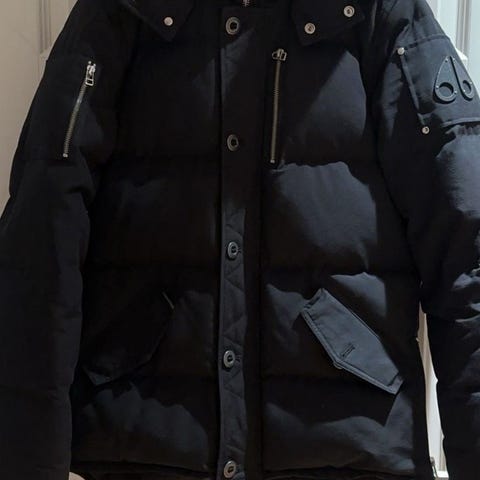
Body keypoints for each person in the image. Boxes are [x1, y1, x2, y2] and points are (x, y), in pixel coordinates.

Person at [0, 0, 479, 479]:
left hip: (345, 437)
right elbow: (41, 240)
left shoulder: (380, 13)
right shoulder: (120, 12)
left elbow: (466, 247)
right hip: (147, 433)